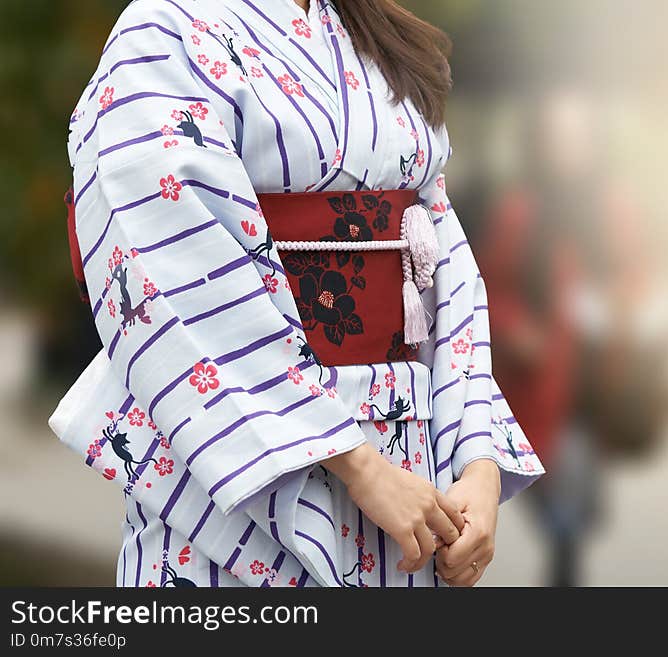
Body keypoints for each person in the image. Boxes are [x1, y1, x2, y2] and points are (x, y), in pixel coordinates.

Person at [49, 0, 543, 588]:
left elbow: (441, 258)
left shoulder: (373, 34)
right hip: (252, 456)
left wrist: (477, 460)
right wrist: (355, 463)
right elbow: (173, 255)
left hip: (409, 449)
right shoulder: (165, 28)